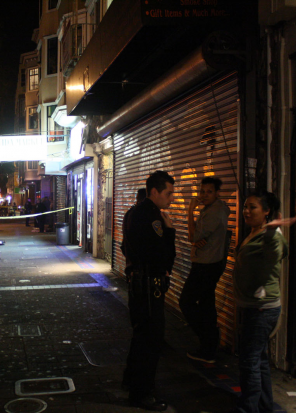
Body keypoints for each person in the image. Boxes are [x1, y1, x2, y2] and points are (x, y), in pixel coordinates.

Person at [233, 191, 296, 413]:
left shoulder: (272, 236)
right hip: (252, 305)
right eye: (245, 206)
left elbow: (274, 255)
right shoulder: (254, 232)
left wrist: (270, 233)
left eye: (253, 207)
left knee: (249, 361)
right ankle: (264, 405)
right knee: (258, 359)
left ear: (266, 211)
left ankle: (249, 408)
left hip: (261, 309)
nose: (246, 211)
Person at [123, 171, 176, 411]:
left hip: (138, 283)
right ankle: (142, 393)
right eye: (169, 193)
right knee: (151, 340)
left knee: (140, 336)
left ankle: (132, 382)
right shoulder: (152, 216)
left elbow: (125, 247)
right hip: (148, 286)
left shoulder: (133, 212)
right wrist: (170, 231)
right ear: (154, 192)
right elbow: (162, 255)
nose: (171, 198)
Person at [179, 177, 230, 363]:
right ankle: (209, 348)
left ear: (217, 193)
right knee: (207, 305)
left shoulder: (214, 212)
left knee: (186, 302)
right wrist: (199, 239)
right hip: (210, 262)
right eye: (202, 191)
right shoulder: (215, 208)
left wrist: (190, 210)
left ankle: (208, 341)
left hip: (206, 265)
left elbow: (192, 236)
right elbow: (197, 238)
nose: (204, 195)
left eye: (209, 192)